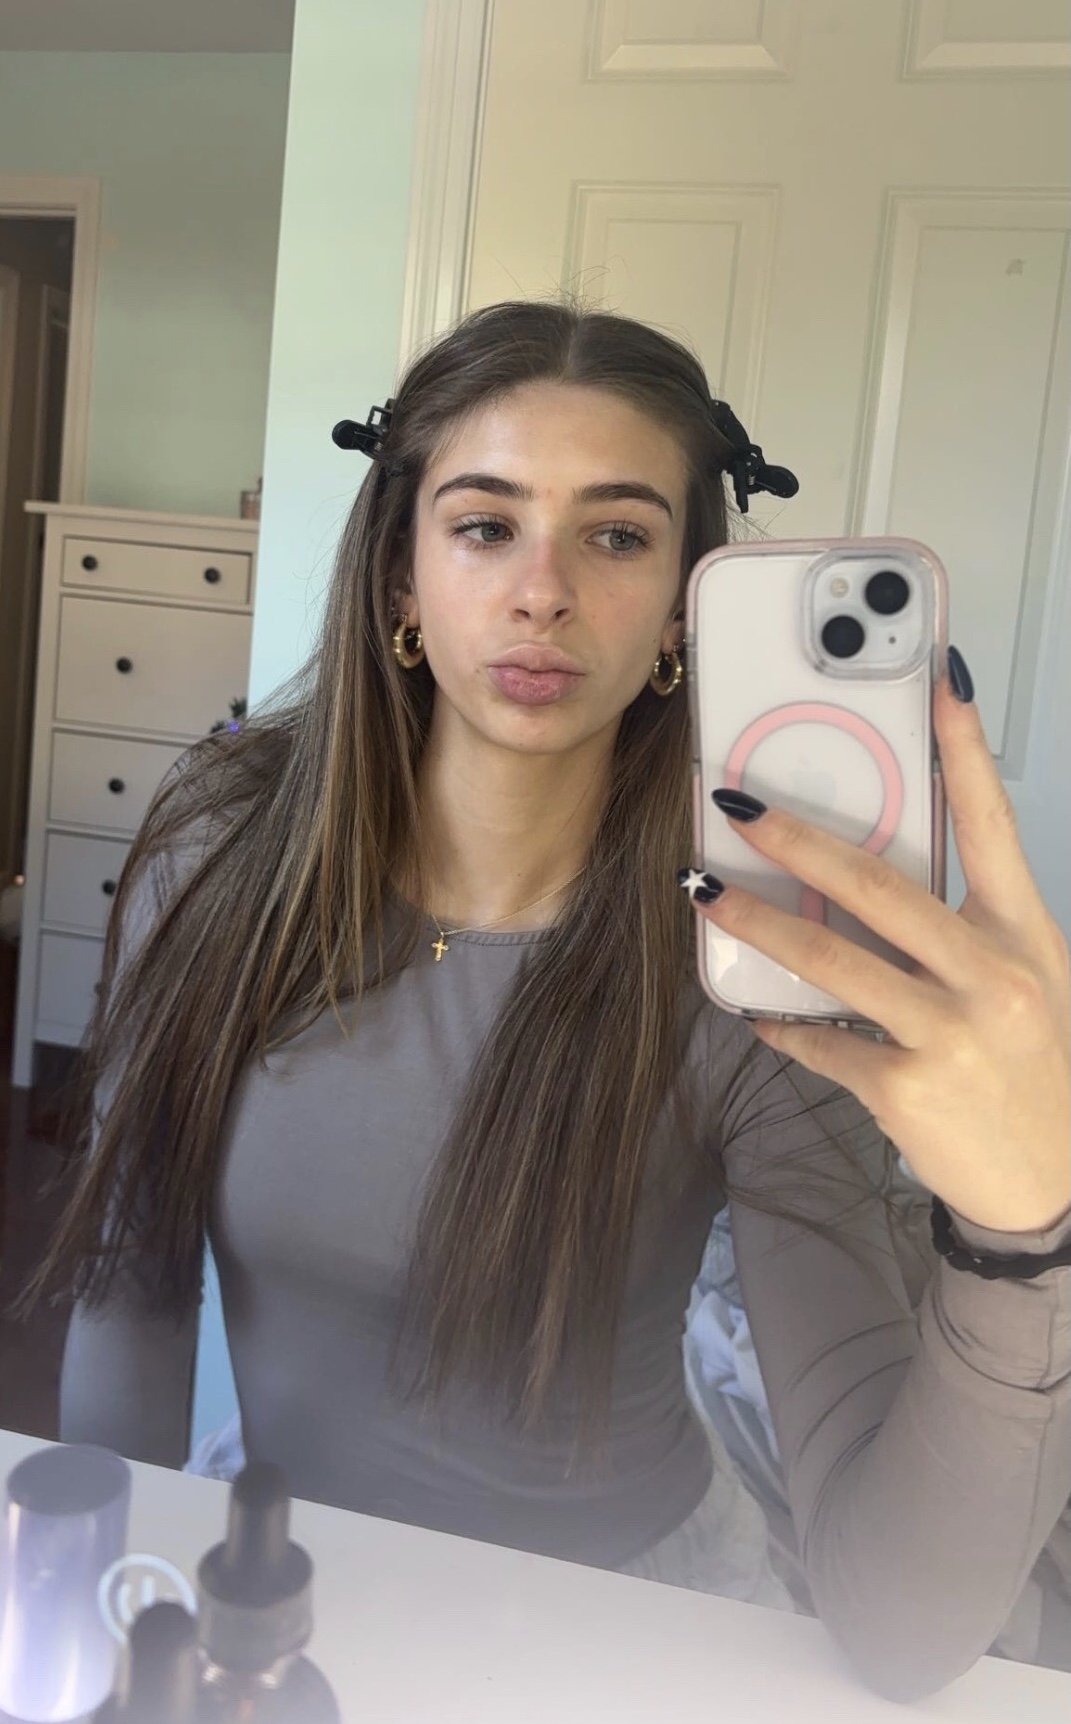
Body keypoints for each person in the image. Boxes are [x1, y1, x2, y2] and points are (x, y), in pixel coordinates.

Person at [24, 301, 1069, 1702]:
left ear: (686, 606)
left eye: (618, 536)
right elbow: (131, 1287)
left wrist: (1021, 1236)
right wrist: (116, 1601)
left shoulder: (752, 955)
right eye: (484, 525)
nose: (543, 593)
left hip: (614, 1625)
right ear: (401, 576)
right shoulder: (220, 848)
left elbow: (899, 1628)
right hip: (280, 1575)